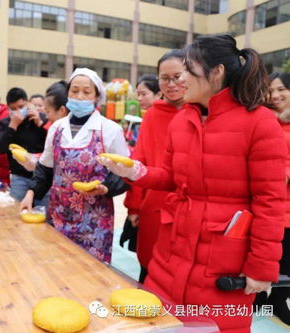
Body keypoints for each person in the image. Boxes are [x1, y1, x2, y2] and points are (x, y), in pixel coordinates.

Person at [99, 34, 286, 332]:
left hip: (223, 260)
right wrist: (136, 172)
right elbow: (173, 178)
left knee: (214, 327)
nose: (180, 79)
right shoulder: (183, 121)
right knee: (163, 323)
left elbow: (270, 201)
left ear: (216, 72)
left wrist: (261, 268)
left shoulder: (260, 123)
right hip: (172, 250)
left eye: (187, 69)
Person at [20, 68, 130, 263]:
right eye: (74, 90)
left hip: (94, 221)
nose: (79, 96)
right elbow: (45, 168)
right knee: (56, 267)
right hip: (58, 215)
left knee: (90, 274)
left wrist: (107, 188)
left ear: (97, 97)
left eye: (86, 92)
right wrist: (31, 193)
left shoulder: (110, 129)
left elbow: (125, 173)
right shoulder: (56, 128)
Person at [123, 51, 186, 283]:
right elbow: (140, 163)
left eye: (177, 76)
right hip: (155, 206)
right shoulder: (152, 116)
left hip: (188, 210)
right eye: (164, 78)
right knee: (149, 270)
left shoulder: (203, 114)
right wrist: (134, 207)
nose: (171, 84)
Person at [0, 87, 48, 205]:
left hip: (41, 176)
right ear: (8, 107)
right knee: (16, 211)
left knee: (42, 212)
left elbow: (52, 143)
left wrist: (40, 123)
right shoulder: (5, 123)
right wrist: (12, 126)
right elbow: (0, 148)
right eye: (13, 108)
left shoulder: (40, 118)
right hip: (19, 177)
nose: (18, 111)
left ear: (27, 103)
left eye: (21, 107)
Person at [267, 72, 290, 325]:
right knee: (267, 258)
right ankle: (263, 300)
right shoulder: (264, 120)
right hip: (268, 204)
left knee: (288, 264)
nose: (274, 95)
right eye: (270, 90)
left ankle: (278, 301)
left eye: (281, 89)